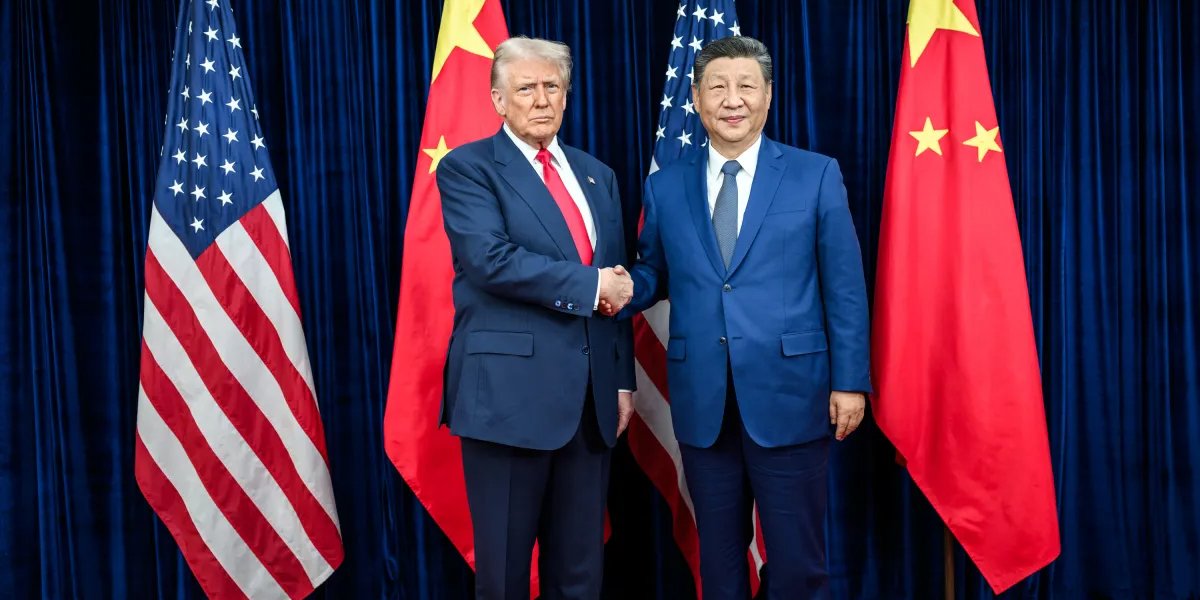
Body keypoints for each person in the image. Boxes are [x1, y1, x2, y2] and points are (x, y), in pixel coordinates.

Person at [612, 36, 871, 599]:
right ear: (699, 101)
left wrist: (850, 382)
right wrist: (624, 286)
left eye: (746, 86)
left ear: (768, 96)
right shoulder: (666, 184)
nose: (733, 100)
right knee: (720, 565)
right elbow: (655, 272)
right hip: (704, 403)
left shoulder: (815, 175)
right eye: (718, 87)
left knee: (799, 563)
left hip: (792, 396)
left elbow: (844, 288)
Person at [435, 36, 636, 600]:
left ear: (567, 97)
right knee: (503, 574)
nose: (542, 99)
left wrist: (621, 380)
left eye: (553, 87)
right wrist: (593, 283)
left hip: (591, 405)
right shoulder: (468, 168)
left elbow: (616, 288)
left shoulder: (598, 175)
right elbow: (490, 260)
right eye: (527, 88)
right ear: (498, 100)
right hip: (506, 399)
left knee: (580, 574)